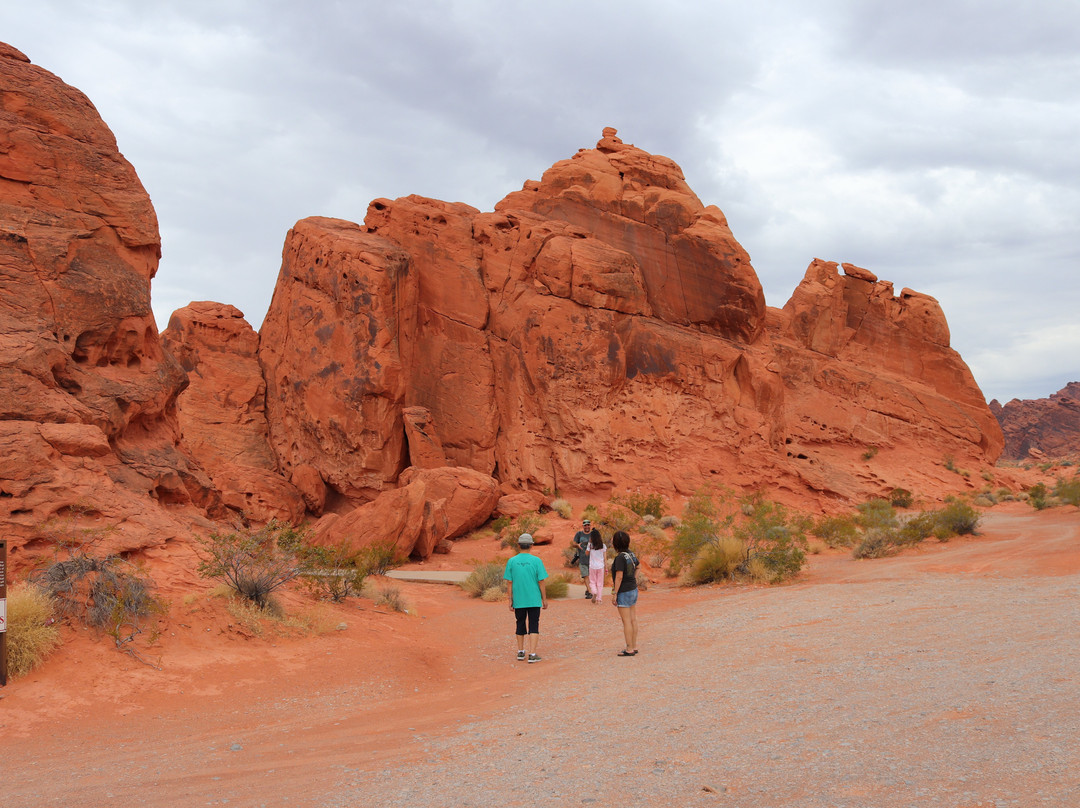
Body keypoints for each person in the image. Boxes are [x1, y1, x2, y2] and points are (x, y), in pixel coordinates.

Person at [503, 532, 548, 663]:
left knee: (520, 623)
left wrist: (510, 600)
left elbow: (509, 582)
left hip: (519, 599)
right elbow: (541, 581)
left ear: (518, 545)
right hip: (534, 599)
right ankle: (532, 654)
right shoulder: (537, 561)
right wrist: (544, 599)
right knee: (534, 624)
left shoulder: (511, 561)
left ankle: (520, 652)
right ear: (531, 545)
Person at [609, 530, 639, 656]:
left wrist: (615, 593)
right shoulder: (630, 554)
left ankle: (629, 648)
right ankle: (633, 645)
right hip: (633, 589)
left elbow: (619, 576)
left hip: (624, 591)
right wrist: (634, 579)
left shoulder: (620, 557)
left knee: (626, 621)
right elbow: (638, 566)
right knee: (632, 619)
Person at [572, 518, 593, 598]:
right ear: (583, 526)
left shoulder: (593, 534)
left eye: (588, 525)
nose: (587, 527)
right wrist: (577, 545)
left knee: (591, 576)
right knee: (585, 575)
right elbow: (573, 543)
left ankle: (588, 590)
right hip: (582, 558)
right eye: (585, 525)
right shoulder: (579, 534)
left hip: (592, 559)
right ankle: (590, 592)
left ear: (590, 526)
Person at [587, 530, 607, 604]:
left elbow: (586, 553)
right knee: (600, 583)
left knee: (592, 582)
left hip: (592, 566)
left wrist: (589, 544)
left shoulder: (590, 545)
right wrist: (606, 568)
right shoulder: (603, 545)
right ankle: (599, 599)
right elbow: (605, 558)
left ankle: (594, 592)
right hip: (601, 566)